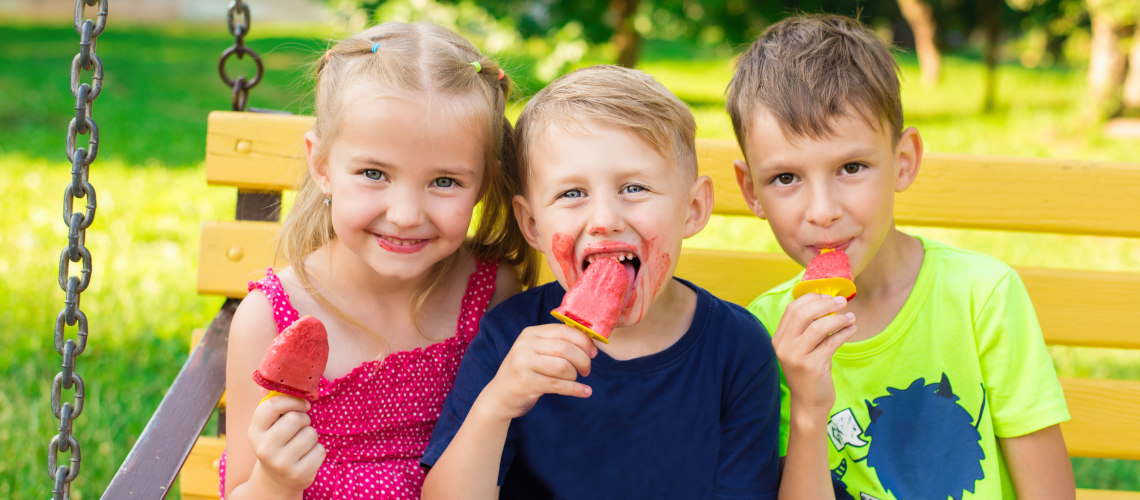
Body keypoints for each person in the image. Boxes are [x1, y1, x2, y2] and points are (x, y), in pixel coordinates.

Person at [726, 14, 1075, 500]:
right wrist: (807, 408)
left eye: (851, 167)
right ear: (752, 191)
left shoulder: (980, 296)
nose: (823, 212)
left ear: (903, 161)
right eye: (786, 178)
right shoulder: (763, 335)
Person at [420, 64, 781, 500]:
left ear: (693, 208)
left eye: (634, 188)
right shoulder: (510, 338)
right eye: (572, 194)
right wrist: (497, 404)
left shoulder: (738, 349)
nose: (605, 220)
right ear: (531, 224)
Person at [221, 21, 537, 500]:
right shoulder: (270, 318)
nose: (406, 215)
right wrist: (275, 480)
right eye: (374, 173)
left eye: (445, 181)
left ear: (484, 184)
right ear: (322, 166)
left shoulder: (493, 292)